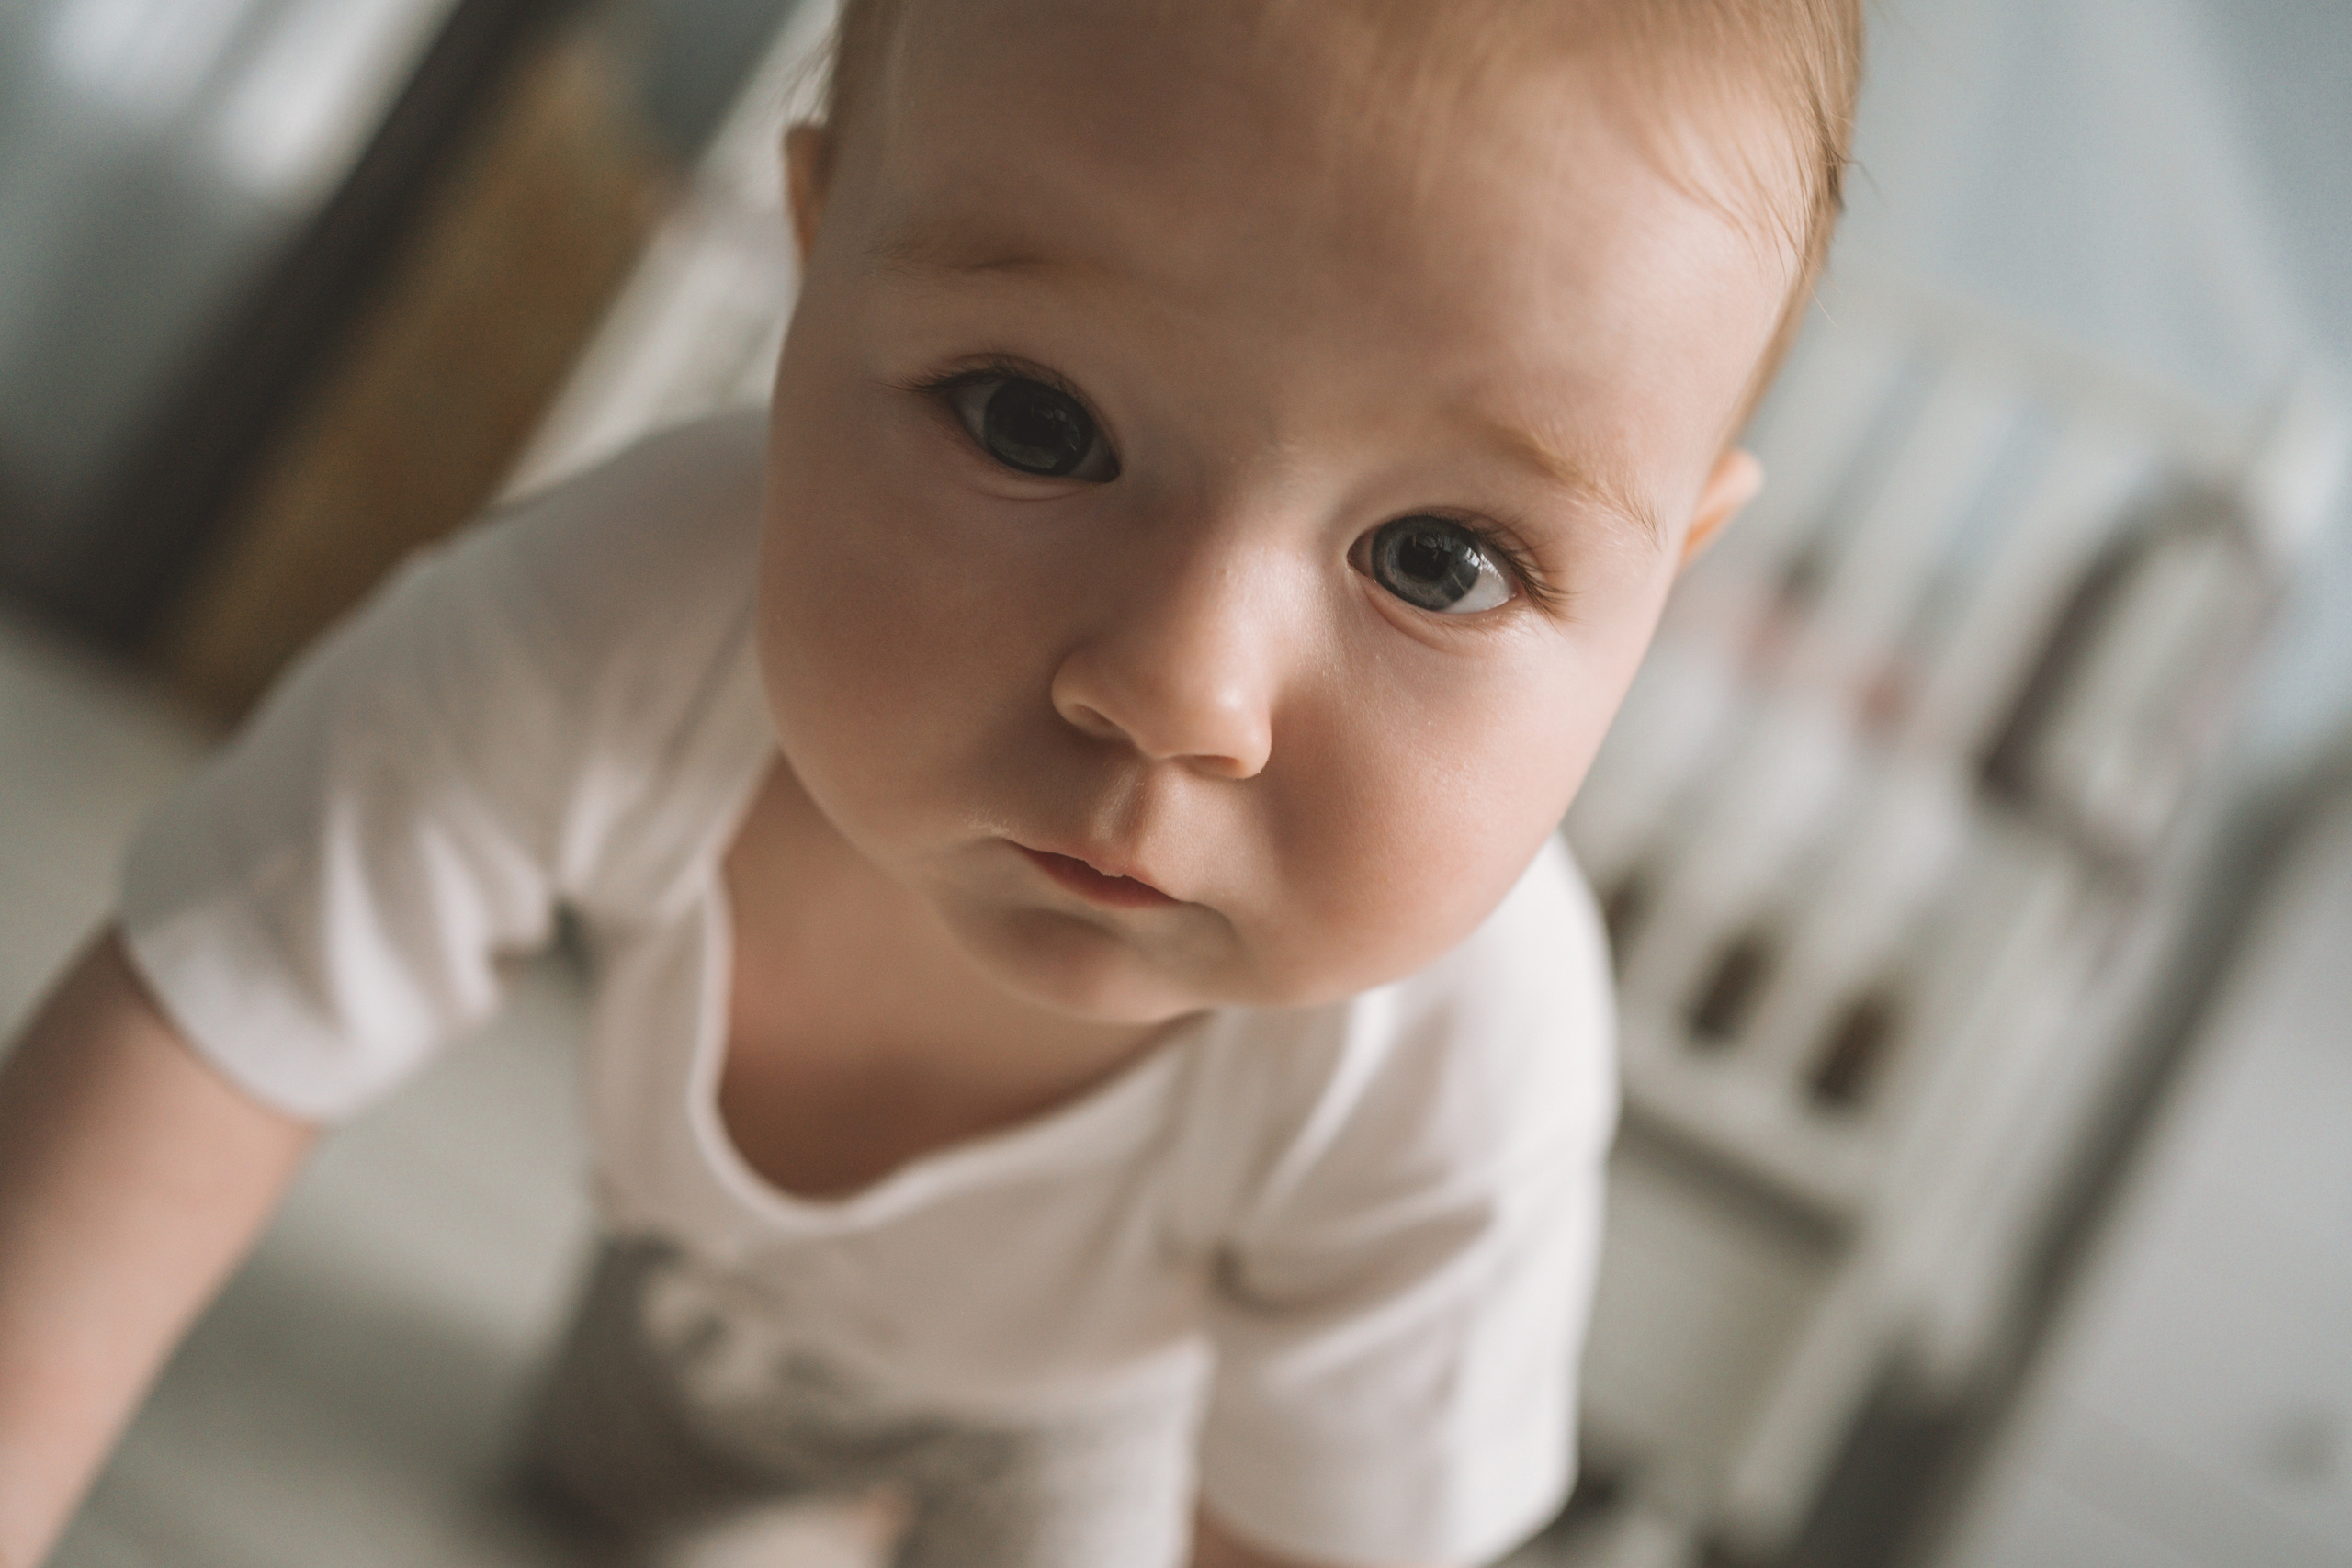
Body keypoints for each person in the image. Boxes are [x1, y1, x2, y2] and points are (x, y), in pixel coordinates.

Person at [0, 2, 1862, 1564]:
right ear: (813, 261)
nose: (1174, 690)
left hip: (1099, 1431)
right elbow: (200, 1029)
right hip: (685, 1305)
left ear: (1661, 578)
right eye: (1032, 420)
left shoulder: (1461, 1051)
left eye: (1441, 557)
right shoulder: (603, 618)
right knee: (598, 1488)